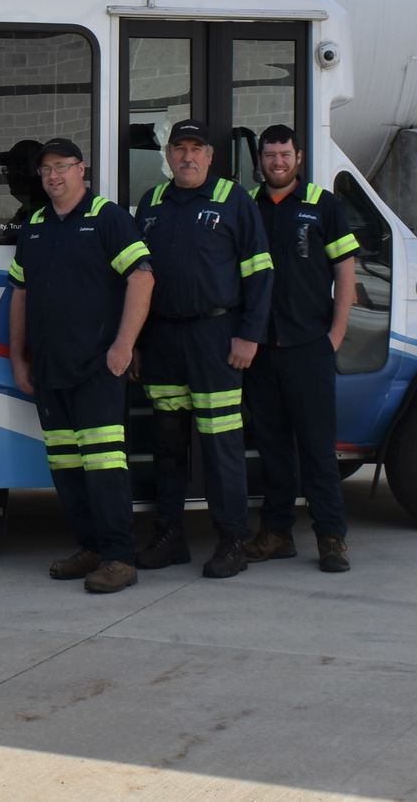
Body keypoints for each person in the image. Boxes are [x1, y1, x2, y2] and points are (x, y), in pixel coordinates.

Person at [7, 138, 154, 593]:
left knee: (105, 466)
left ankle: (119, 558)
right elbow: (21, 294)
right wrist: (18, 357)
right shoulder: (33, 225)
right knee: (67, 469)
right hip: (49, 369)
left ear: (81, 169)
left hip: (96, 369)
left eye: (63, 166)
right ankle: (90, 547)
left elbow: (142, 277)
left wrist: (123, 346)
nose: (54, 176)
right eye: (47, 169)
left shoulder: (108, 217)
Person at [132, 120, 273, 579]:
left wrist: (249, 334)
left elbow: (259, 271)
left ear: (211, 157)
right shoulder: (150, 204)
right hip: (162, 341)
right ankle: (170, 534)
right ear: (168, 156)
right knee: (168, 446)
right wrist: (133, 341)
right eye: (179, 149)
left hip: (217, 340)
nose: (187, 157)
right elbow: (133, 280)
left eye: (196, 149)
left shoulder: (234, 200)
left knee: (221, 446)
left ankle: (232, 539)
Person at [243, 126, 360, 573]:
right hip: (261, 350)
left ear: (299, 157)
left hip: (309, 345)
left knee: (315, 448)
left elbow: (346, 273)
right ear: (259, 158)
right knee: (272, 447)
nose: (277, 162)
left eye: (284, 154)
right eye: (270, 154)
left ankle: (331, 537)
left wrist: (335, 335)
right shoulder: (248, 207)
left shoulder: (322, 204)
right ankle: (276, 535)